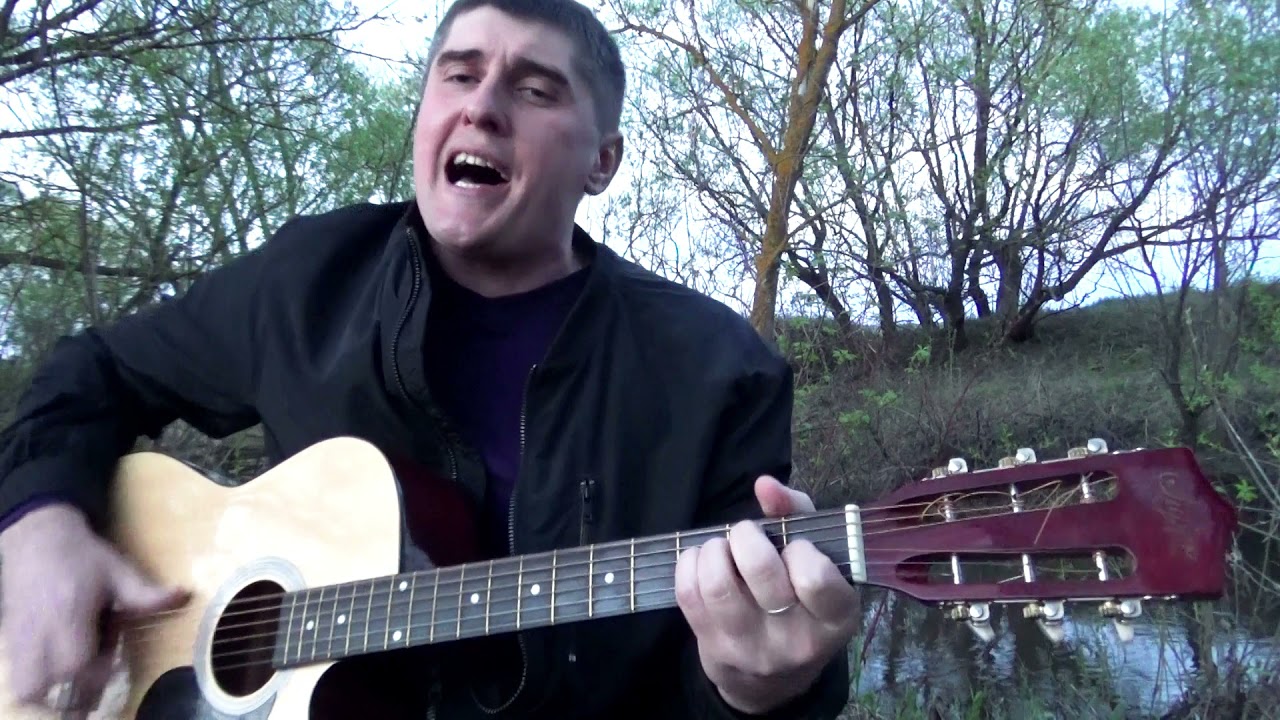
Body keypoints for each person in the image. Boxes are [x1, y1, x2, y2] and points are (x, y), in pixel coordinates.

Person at [0, 0, 858, 717]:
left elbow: (712, 678)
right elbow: (93, 372)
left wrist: (760, 687)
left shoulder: (717, 370)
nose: (482, 107)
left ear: (602, 162)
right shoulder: (310, 279)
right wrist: (39, 522)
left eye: (534, 89)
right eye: (458, 75)